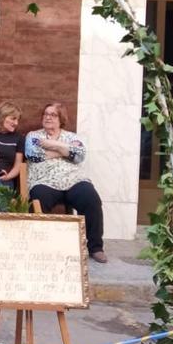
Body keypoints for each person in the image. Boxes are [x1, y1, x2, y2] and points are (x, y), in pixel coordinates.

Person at [25, 102, 107, 263]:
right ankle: (40, 246)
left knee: (91, 198)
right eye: (46, 114)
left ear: (61, 119)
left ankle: (96, 248)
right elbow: (34, 155)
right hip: (44, 180)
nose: (48, 117)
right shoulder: (33, 136)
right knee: (38, 198)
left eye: (53, 114)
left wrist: (53, 145)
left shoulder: (72, 137)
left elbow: (79, 156)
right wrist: (65, 151)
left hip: (73, 179)